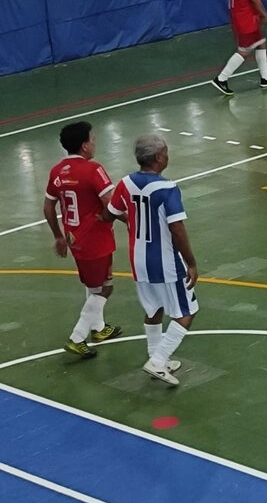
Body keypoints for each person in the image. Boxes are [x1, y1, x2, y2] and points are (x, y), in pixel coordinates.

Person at [106, 134, 198, 386]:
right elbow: (177, 229)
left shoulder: (125, 183)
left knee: (153, 308)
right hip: (166, 262)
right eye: (166, 152)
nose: (168, 156)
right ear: (158, 158)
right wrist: (191, 263)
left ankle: (156, 357)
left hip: (138, 261)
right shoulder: (167, 188)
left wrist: (133, 222)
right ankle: (157, 360)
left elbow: (110, 213)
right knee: (187, 312)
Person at [42, 120, 123, 359]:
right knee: (105, 288)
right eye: (93, 139)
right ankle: (77, 337)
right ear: (85, 146)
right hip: (96, 239)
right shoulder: (93, 169)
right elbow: (111, 204)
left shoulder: (57, 170)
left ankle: (98, 329)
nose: (95, 142)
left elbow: (48, 206)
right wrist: (133, 223)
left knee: (92, 285)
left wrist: (58, 236)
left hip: (74, 238)